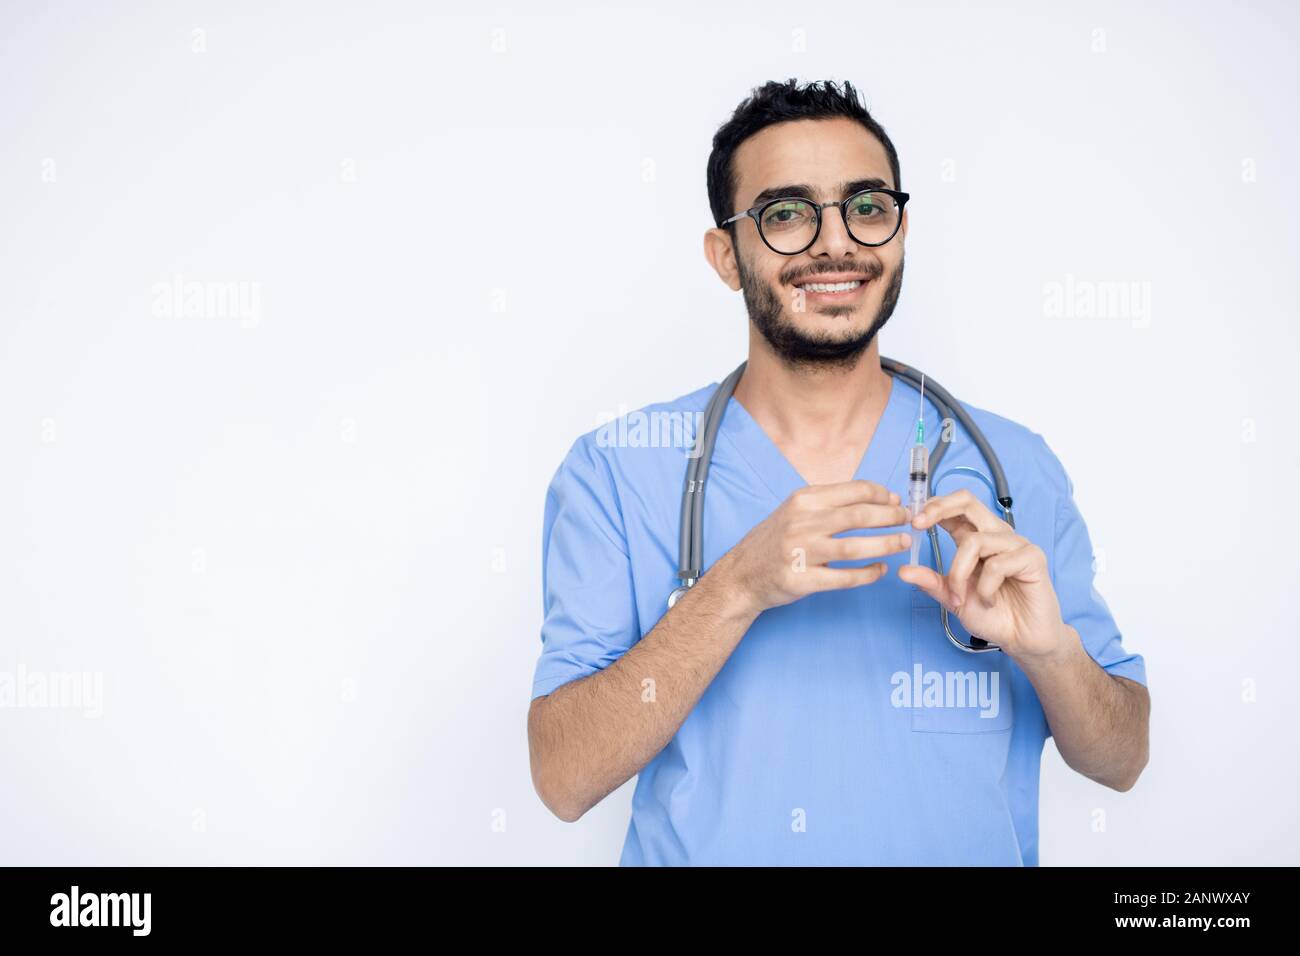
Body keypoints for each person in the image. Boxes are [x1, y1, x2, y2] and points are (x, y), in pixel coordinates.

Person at [526, 78, 1149, 866]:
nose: (836, 243)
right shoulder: (619, 472)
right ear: (726, 256)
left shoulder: (1012, 467)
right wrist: (737, 587)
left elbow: (1122, 758)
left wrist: (1051, 654)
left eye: (866, 206)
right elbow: (562, 777)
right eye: (786, 214)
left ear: (899, 229)